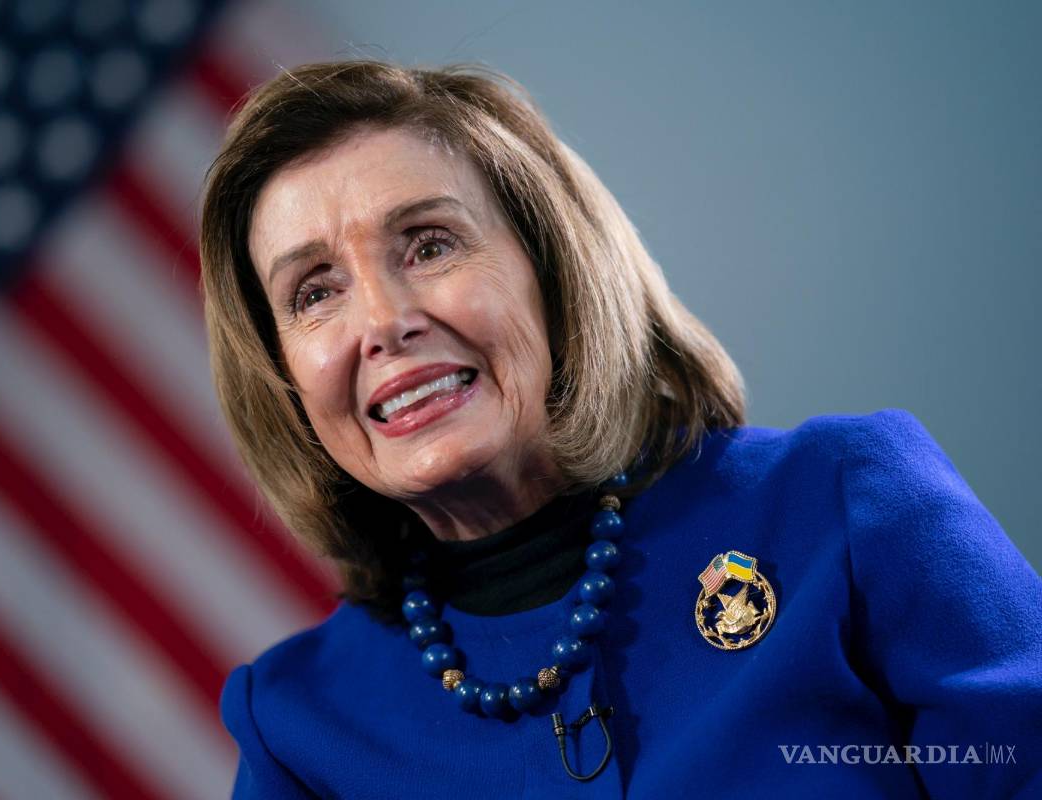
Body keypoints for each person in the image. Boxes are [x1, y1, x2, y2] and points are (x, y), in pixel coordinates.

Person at [198, 60, 1041, 799]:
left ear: (554, 272)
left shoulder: (843, 504)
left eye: (428, 246)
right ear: (284, 379)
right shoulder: (297, 730)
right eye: (314, 292)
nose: (383, 321)